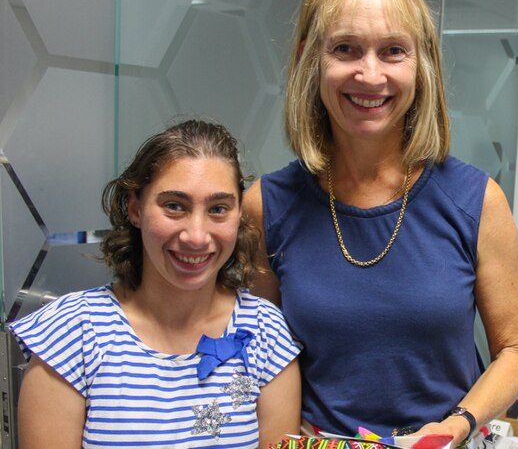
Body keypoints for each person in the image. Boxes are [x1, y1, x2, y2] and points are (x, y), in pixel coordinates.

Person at [244, 0, 518, 444]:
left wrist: (454, 427)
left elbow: (516, 350)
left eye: (394, 51)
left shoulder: (477, 201)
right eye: (345, 49)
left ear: (422, 65)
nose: (370, 74)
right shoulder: (267, 206)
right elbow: (262, 357)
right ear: (309, 58)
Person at [10, 120, 302, 448]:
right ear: (135, 209)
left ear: (238, 216)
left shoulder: (265, 332)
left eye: (218, 209)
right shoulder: (72, 332)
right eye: (174, 206)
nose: (196, 236)